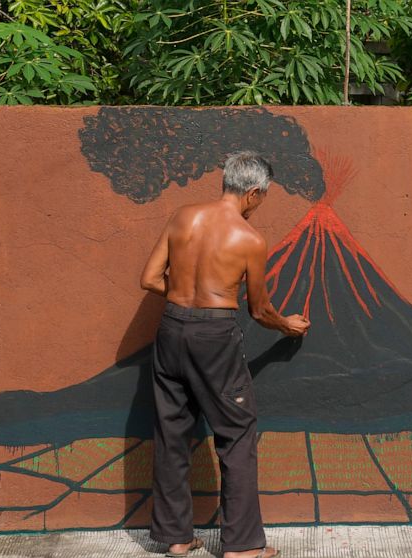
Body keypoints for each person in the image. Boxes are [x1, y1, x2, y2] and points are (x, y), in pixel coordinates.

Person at [140, 151, 310, 558]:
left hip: (171, 328)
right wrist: (286, 324)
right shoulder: (249, 239)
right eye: (262, 198)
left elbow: (148, 279)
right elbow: (259, 309)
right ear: (253, 193)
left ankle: (177, 538)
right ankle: (241, 545)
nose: (259, 206)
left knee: (171, 432)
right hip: (214, 336)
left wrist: (187, 298)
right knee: (236, 435)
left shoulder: (183, 216)